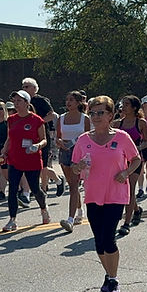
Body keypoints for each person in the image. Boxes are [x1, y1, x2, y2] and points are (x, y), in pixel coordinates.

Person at [72, 95, 142, 292]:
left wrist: (126, 173)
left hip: (116, 194)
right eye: (92, 113)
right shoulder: (84, 139)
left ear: (111, 115)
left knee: (109, 239)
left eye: (101, 112)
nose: (96, 116)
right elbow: (75, 167)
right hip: (93, 194)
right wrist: (79, 167)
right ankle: (108, 275)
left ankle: (113, 279)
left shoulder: (121, 137)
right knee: (99, 242)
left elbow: (136, 159)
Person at [0, 90, 50, 231]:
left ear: (27, 103)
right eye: (14, 101)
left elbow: (44, 140)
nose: (16, 104)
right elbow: (9, 138)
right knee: (13, 189)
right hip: (14, 159)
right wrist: (4, 152)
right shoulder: (11, 119)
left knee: (35, 189)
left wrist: (37, 146)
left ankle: (43, 208)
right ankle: (12, 220)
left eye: (19, 101)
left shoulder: (36, 120)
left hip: (32, 159)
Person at [21, 78, 65, 198]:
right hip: (26, 137)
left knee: (42, 166)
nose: (24, 88)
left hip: (41, 136)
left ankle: (52, 184)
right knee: (27, 165)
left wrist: (37, 123)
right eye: (23, 86)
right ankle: (27, 192)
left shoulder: (41, 101)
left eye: (27, 86)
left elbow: (52, 115)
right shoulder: (21, 102)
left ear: (34, 88)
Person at [114, 94, 147, 235]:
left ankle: (126, 223)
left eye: (127, 104)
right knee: (124, 190)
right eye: (123, 104)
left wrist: (136, 149)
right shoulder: (117, 124)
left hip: (135, 160)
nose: (124, 106)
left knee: (130, 189)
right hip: (121, 161)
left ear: (134, 107)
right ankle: (137, 210)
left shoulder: (141, 123)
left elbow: (146, 141)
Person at [56, 91, 90, 232]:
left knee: (74, 185)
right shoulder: (61, 118)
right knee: (71, 184)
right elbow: (57, 137)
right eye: (67, 100)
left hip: (79, 153)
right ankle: (79, 210)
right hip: (65, 152)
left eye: (71, 100)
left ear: (78, 103)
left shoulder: (85, 118)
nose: (68, 102)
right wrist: (59, 142)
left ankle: (70, 219)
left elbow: (88, 137)